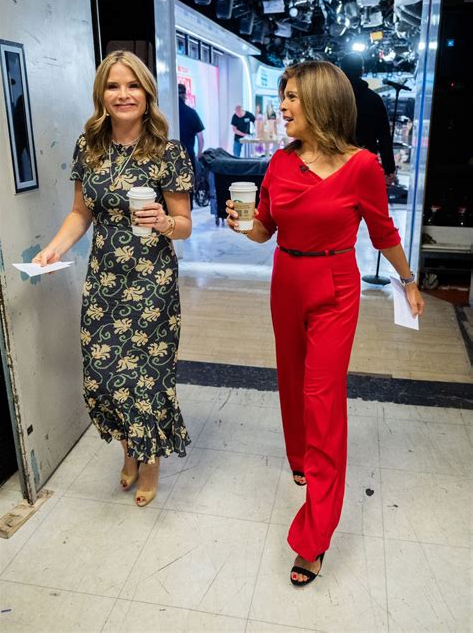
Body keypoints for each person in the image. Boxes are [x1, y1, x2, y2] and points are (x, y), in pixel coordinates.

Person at [226, 60, 424, 587]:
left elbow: (382, 232)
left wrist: (407, 281)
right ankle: (299, 458)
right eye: (284, 95)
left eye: (292, 97)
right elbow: (264, 229)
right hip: (285, 277)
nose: (283, 106)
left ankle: (314, 537)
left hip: (336, 283)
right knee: (290, 379)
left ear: (321, 102)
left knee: (322, 395)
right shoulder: (278, 163)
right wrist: (242, 225)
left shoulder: (362, 167)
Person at [33, 50, 194, 507]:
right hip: (104, 280)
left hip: (152, 284)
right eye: (113, 86)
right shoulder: (89, 147)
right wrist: (54, 249)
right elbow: (80, 213)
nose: (123, 94)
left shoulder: (169, 152)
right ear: (101, 94)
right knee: (104, 377)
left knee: (146, 379)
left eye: (132, 86)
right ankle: (128, 450)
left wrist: (164, 221)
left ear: (147, 94)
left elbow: (184, 225)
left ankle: (150, 461)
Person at [340, 52, 397, 185]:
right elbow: (384, 137)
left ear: (341, 71)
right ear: (362, 70)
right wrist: (389, 168)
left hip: (335, 162)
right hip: (365, 162)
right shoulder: (374, 99)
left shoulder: (331, 98)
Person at [178, 83, 204, 182]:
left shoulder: (165, 113)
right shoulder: (192, 113)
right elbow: (200, 138)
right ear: (185, 95)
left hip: (170, 157)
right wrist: (199, 154)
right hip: (188, 155)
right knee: (189, 187)